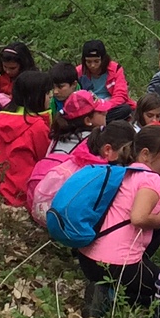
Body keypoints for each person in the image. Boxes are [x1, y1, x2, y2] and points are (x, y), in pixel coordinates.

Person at [77, 124, 160, 318]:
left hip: (87, 258)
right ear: (145, 154)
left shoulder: (123, 171)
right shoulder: (152, 180)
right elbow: (138, 218)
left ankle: (102, 287)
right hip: (119, 265)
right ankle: (111, 295)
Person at [28, 90, 110, 225]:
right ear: (88, 120)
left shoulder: (57, 136)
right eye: (101, 113)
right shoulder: (92, 143)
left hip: (41, 199)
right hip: (64, 207)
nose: (106, 113)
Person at [0, 68, 55, 209]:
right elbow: (45, 159)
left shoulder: (3, 119)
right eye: (47, 92)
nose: (51, 96)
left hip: (0, 188)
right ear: (36, 96)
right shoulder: (37, 126)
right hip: (25, 194)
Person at [76, 40, 130, 105]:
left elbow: (120, 95)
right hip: (88, 106)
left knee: (125, 109)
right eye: (89, 62)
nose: (92, 65)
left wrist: (104, 106)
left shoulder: (115, 69)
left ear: (103, 60)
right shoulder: (78, 72)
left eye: (96, 61)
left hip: (111, 105)